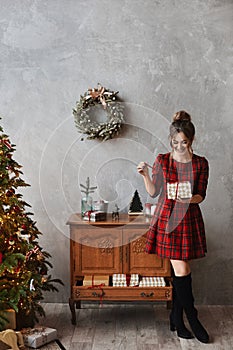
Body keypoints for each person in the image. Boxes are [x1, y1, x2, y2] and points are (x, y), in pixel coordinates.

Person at [137, 110, 209, 343]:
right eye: (175, 142)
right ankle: (193, 319)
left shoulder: (200, 163)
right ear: (171, 140)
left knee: (181, 271)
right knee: (181, 270)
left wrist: (188, 199)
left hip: (188, 219)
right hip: (167, 219)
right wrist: (145, 175)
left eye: (184, 142)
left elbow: (201, 196)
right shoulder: (162, 160)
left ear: (191, 140)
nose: (179, 146)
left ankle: (176, 318)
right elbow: (153, 192)